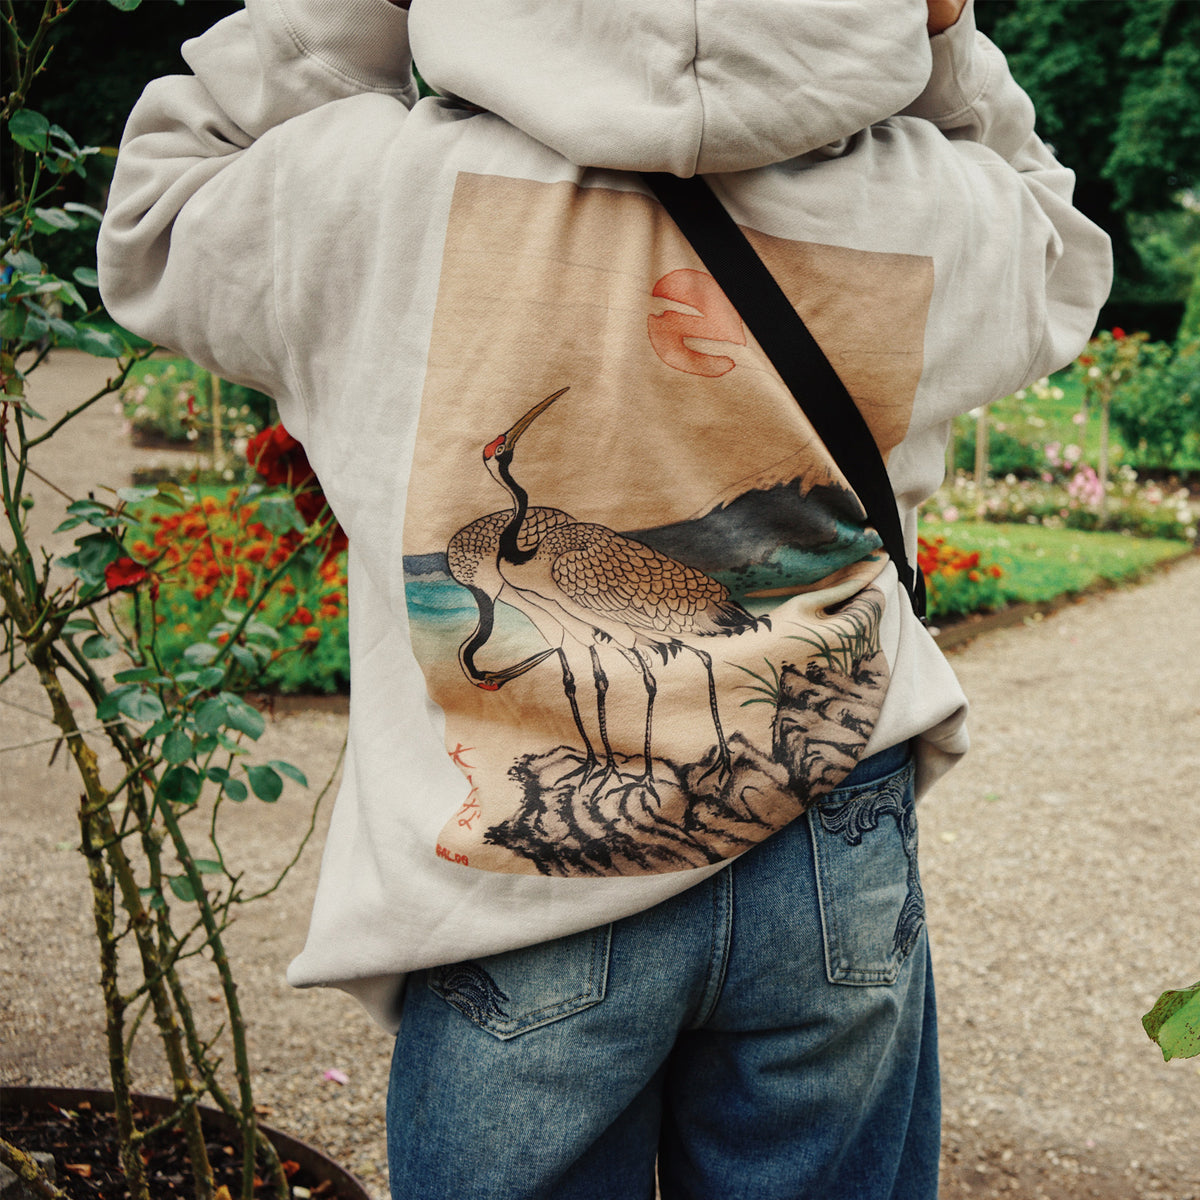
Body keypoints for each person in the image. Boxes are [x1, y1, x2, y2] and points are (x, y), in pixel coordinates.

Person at [98, 0, 1111, 1195]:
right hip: (831, 836)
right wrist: (935, 38)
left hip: (529, 874)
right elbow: (1062, 245)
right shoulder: (927, 200)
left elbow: (155, 215)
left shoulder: (363, 193)